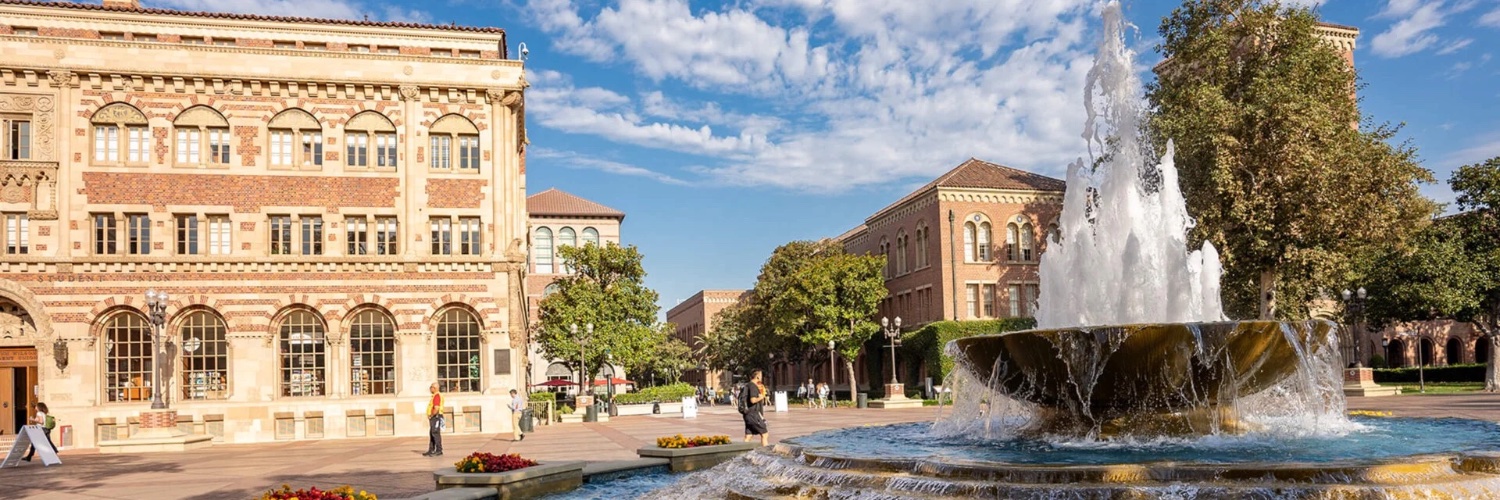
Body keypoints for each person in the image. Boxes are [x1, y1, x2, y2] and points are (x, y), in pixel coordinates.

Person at [741, 370, 770, 446]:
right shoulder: (753, 386)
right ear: (757, 376)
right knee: (765, 434)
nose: (761, 377)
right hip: (754, 414)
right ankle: (766, 453)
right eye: (761, 375)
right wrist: (761, 397)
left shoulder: (747, 385)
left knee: (748, 435)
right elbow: (753, 400)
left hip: (748, 414)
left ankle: (742, 451)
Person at [423, 383, 444, 457]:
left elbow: (436, 408)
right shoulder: (434, 396)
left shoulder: (437, 396)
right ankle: (431, 449)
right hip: (434, 417)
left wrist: (431, 415)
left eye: (431, 387)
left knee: (435, 433)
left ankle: (439, 450)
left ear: (434, 388)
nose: (430, 389)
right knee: (432, 433)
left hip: (436, 417)